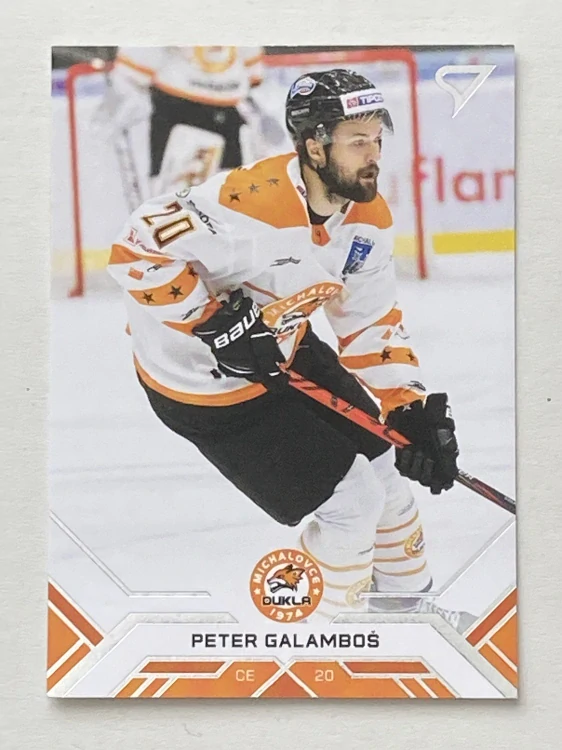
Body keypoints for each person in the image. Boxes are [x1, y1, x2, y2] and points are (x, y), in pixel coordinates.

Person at [107, 69, 474, 631]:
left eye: (377, 139)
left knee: (388, 482)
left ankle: (410, 624)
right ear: (314, 146)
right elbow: (135, 252)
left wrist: (407, 406)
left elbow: (371, 322)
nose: (373, 155)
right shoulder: (250, 202)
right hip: (203, 387)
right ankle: (320, 640)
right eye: (357, 141)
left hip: (284, 348)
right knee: (352, 505)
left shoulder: (367, 219)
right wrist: (211, 322)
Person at [103, 45, 266, 198]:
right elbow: (134, 71)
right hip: (179, 108)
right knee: (179, 197)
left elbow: (253, 70)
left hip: (227, 112)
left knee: (229, 197)